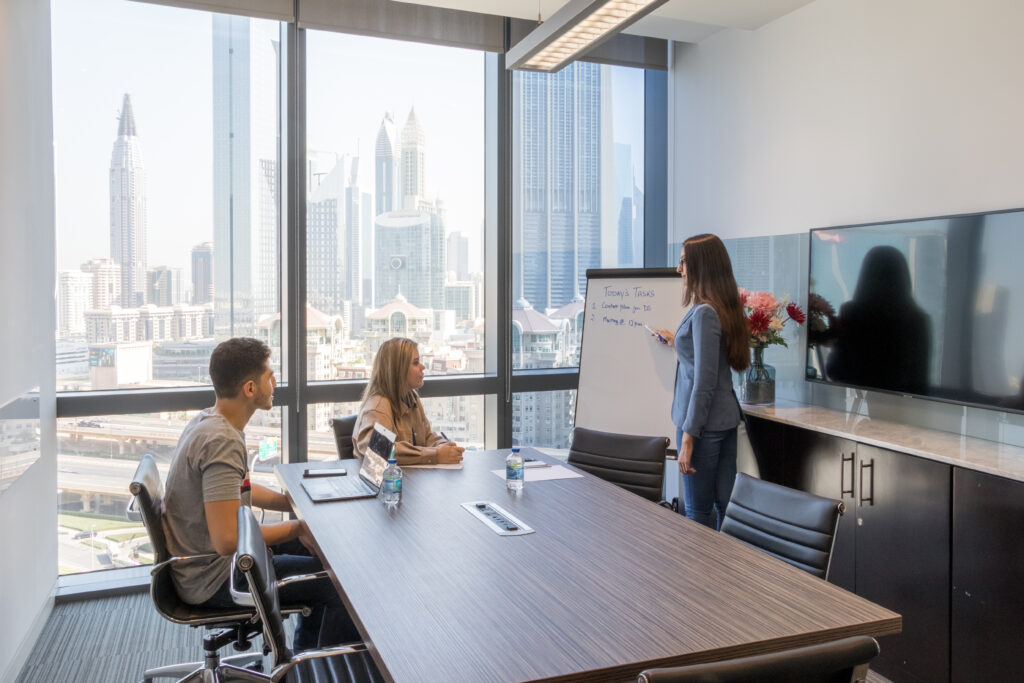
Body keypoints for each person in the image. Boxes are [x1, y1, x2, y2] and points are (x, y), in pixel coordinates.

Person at [162, 337, 356, 651]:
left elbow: (242, 489)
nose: (275, 383)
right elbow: (226, 539)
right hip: (218, 578)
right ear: (250, 388)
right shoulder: (221, 440)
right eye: (270, 376)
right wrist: (297, 526)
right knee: (339, 584)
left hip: (208, 566)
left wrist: (291, 503)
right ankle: (322, 668)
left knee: (322, 550)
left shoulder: (209, 421)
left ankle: (307, 653)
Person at [654, 234, 750, 530]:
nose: (679, 268)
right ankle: (724, 574)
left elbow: (704, 381)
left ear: (700, 265)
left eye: (683, 261)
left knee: (697, 514)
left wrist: (688, 437)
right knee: (725, 508)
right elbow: (708, 362)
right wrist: (676, 342)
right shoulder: (720, 308)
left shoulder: (704, 313)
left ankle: (701, 576)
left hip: (701, 426)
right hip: (722, 420)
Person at [353, 337, 465, 465]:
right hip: (385, 483)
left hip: (408, 479)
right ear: (397, 370)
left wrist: (444, 446)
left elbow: (426, 437)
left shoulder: (411, 397)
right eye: (416, 362)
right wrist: (435, 455)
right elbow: (378, 449)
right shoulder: (378, 406)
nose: (423, 367)